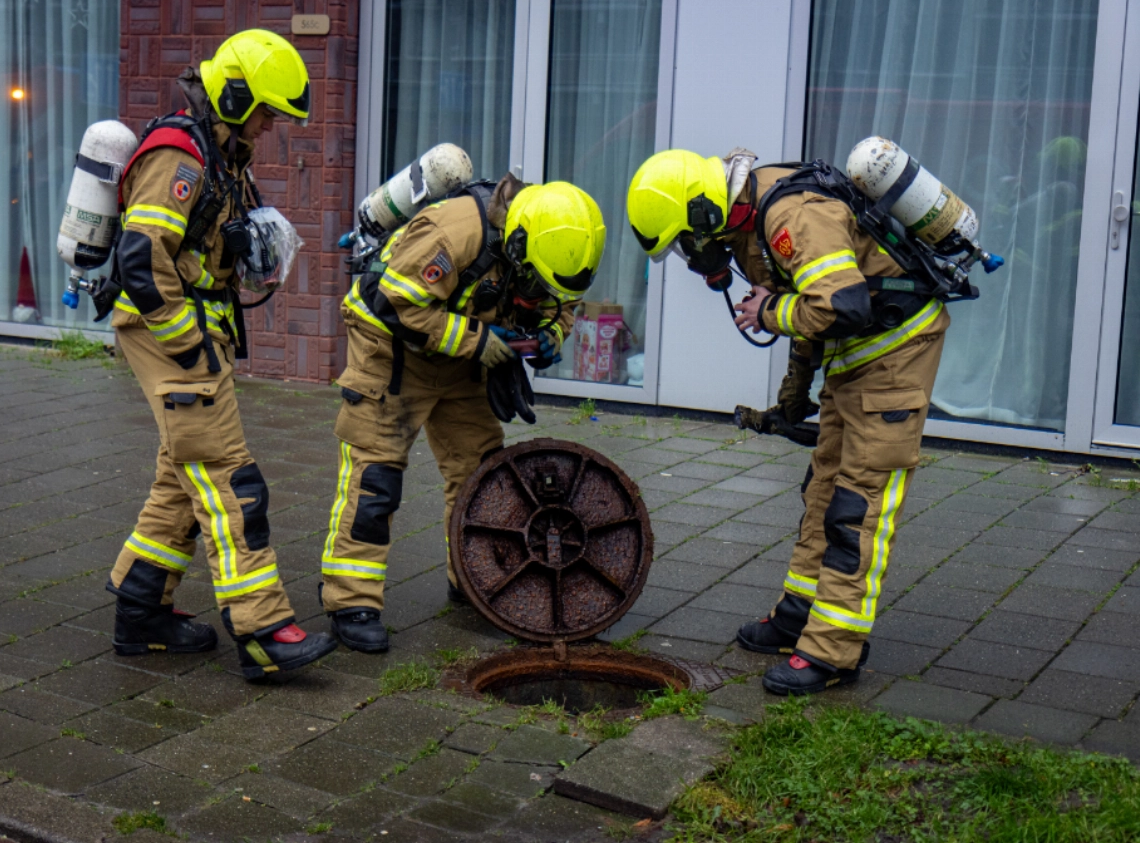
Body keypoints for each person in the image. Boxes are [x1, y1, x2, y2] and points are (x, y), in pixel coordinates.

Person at [627, 148, 948, 695]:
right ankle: (798, 617)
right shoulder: (753, 217)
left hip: (896, 352)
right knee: (822, 493)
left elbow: (840, 306)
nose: (694, 256)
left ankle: (832, 651)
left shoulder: (791, 215)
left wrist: (768, 313)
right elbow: (810, 303)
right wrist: (795, 396)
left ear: (703, 214)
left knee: (858, 507)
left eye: (687, 241)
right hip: (857, 358)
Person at [105, 30, 337, 680]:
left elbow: (198, 247)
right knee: (233, 483)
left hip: (198, 330)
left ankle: (140, 612)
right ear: (234, 96)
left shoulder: (219, 153)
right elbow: (141, 262)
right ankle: (263, 632)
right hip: (174, 334)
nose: (268, 127)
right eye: (264, 111)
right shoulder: (181, 155)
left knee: (180, 483)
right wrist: (189, 345)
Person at [318, 176, 606, 652]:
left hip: (460, 354)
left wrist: (552, 333)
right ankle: (350, 603)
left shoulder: (561, 243)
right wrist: (477, 343)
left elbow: (564, 301)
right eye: (532, 281)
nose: (538, 292)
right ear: (516, 244)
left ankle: (472, 579)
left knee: (483, 477)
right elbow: (395, 303)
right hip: (390, 352)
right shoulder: (455, 233)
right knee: (376, 479)